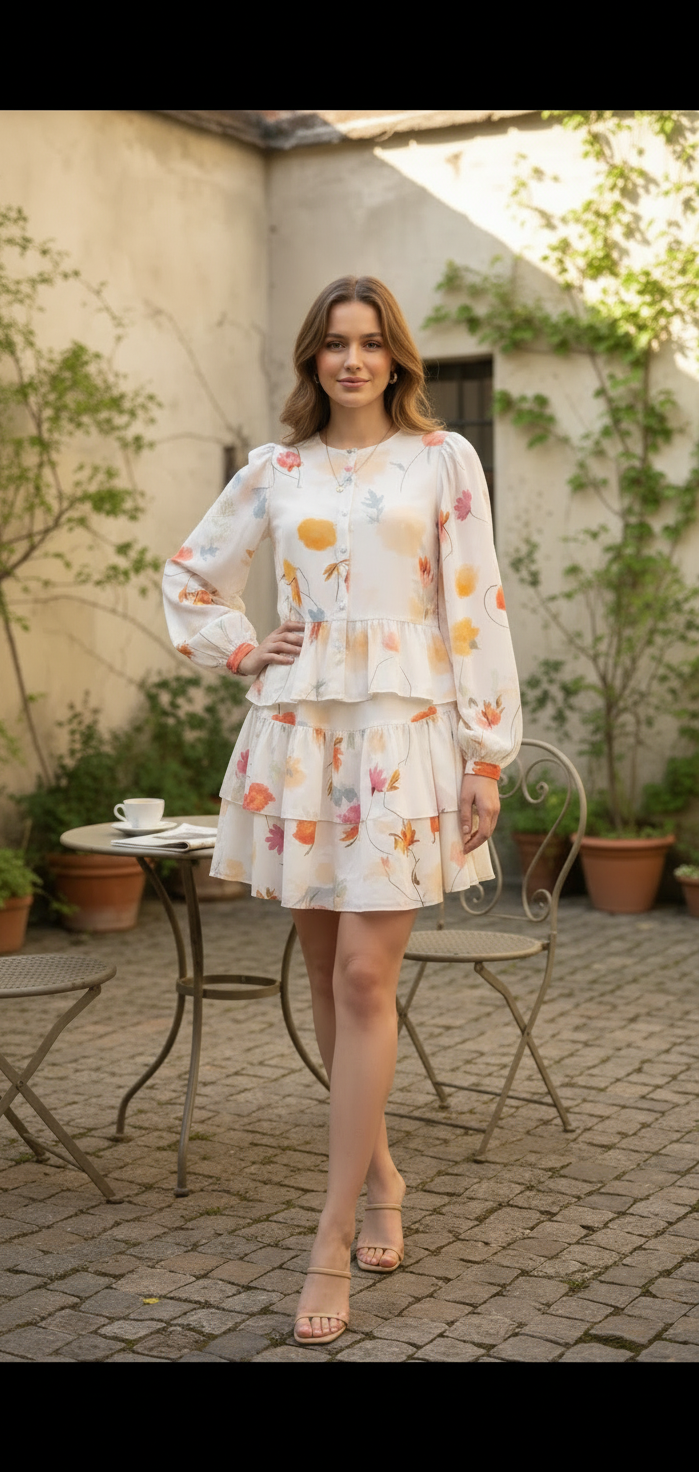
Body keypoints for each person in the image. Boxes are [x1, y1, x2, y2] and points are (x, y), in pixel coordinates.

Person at [163, 275, 521, 1347]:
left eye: (370, 343)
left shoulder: (442, 461)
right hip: (302, 736)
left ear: (395, 356)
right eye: (334, 343)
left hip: (405, 735)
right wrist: (243, 646)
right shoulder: (276, 471)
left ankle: (329, 1230)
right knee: (326, 975)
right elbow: (190, 576)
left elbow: (476, 604)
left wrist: (485, 753)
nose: (352, 360)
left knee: (365, 975)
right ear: (312, 359)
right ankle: (381, 1177)